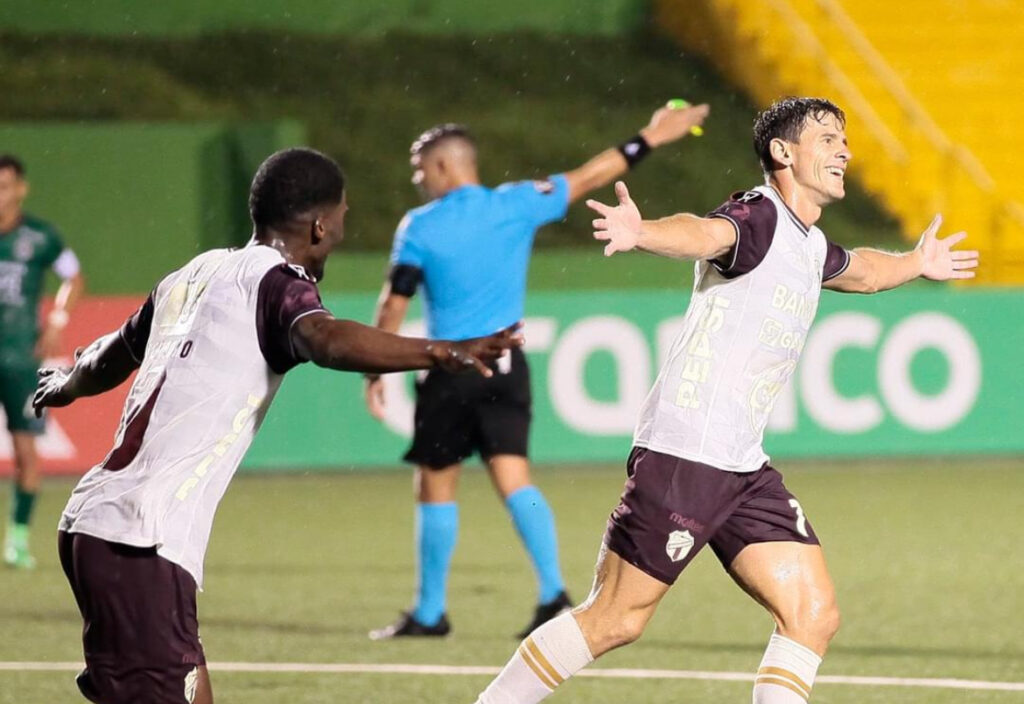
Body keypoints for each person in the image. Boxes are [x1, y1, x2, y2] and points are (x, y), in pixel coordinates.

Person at [473, 97, 979, 704]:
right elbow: (707, 232)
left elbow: (864, 272)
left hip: (741, 464)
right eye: (828, 138)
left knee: (812, 614)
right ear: (783, 152)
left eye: (844, 139)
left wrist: (917, 261)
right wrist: (642, 232)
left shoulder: (808, 243)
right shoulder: (759, 215)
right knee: (615, 619)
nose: (844, 150)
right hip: (687, 453)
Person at [32, 147, 522, 704]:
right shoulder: (277, 282)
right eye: (341, 217)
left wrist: (67, 384)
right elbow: (325, 339)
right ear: (319, 226)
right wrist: (439, 350)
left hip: (97, 523)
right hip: (140, 540)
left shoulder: (193, 273)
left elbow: (110, 355)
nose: (340, 232)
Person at [365, 102, 710, 640]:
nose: (418, 180)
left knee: (436, 484)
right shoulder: (519, 203)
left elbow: (394, 302)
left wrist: (374, 366)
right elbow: (590, 176)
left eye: (420, 169)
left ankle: (431, 612)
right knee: (515, 479)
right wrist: (649, 137)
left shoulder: (421, 226)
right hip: (507, 364)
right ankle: (553, 593)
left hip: (450, 367)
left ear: (443, 166)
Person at [0, 154, 85, 569]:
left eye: (4, 187)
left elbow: (74, 277)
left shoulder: (41, 237)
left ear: (21, 189)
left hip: (20, 359)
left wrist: (58, 320)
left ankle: (16, 540)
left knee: (26, 452)